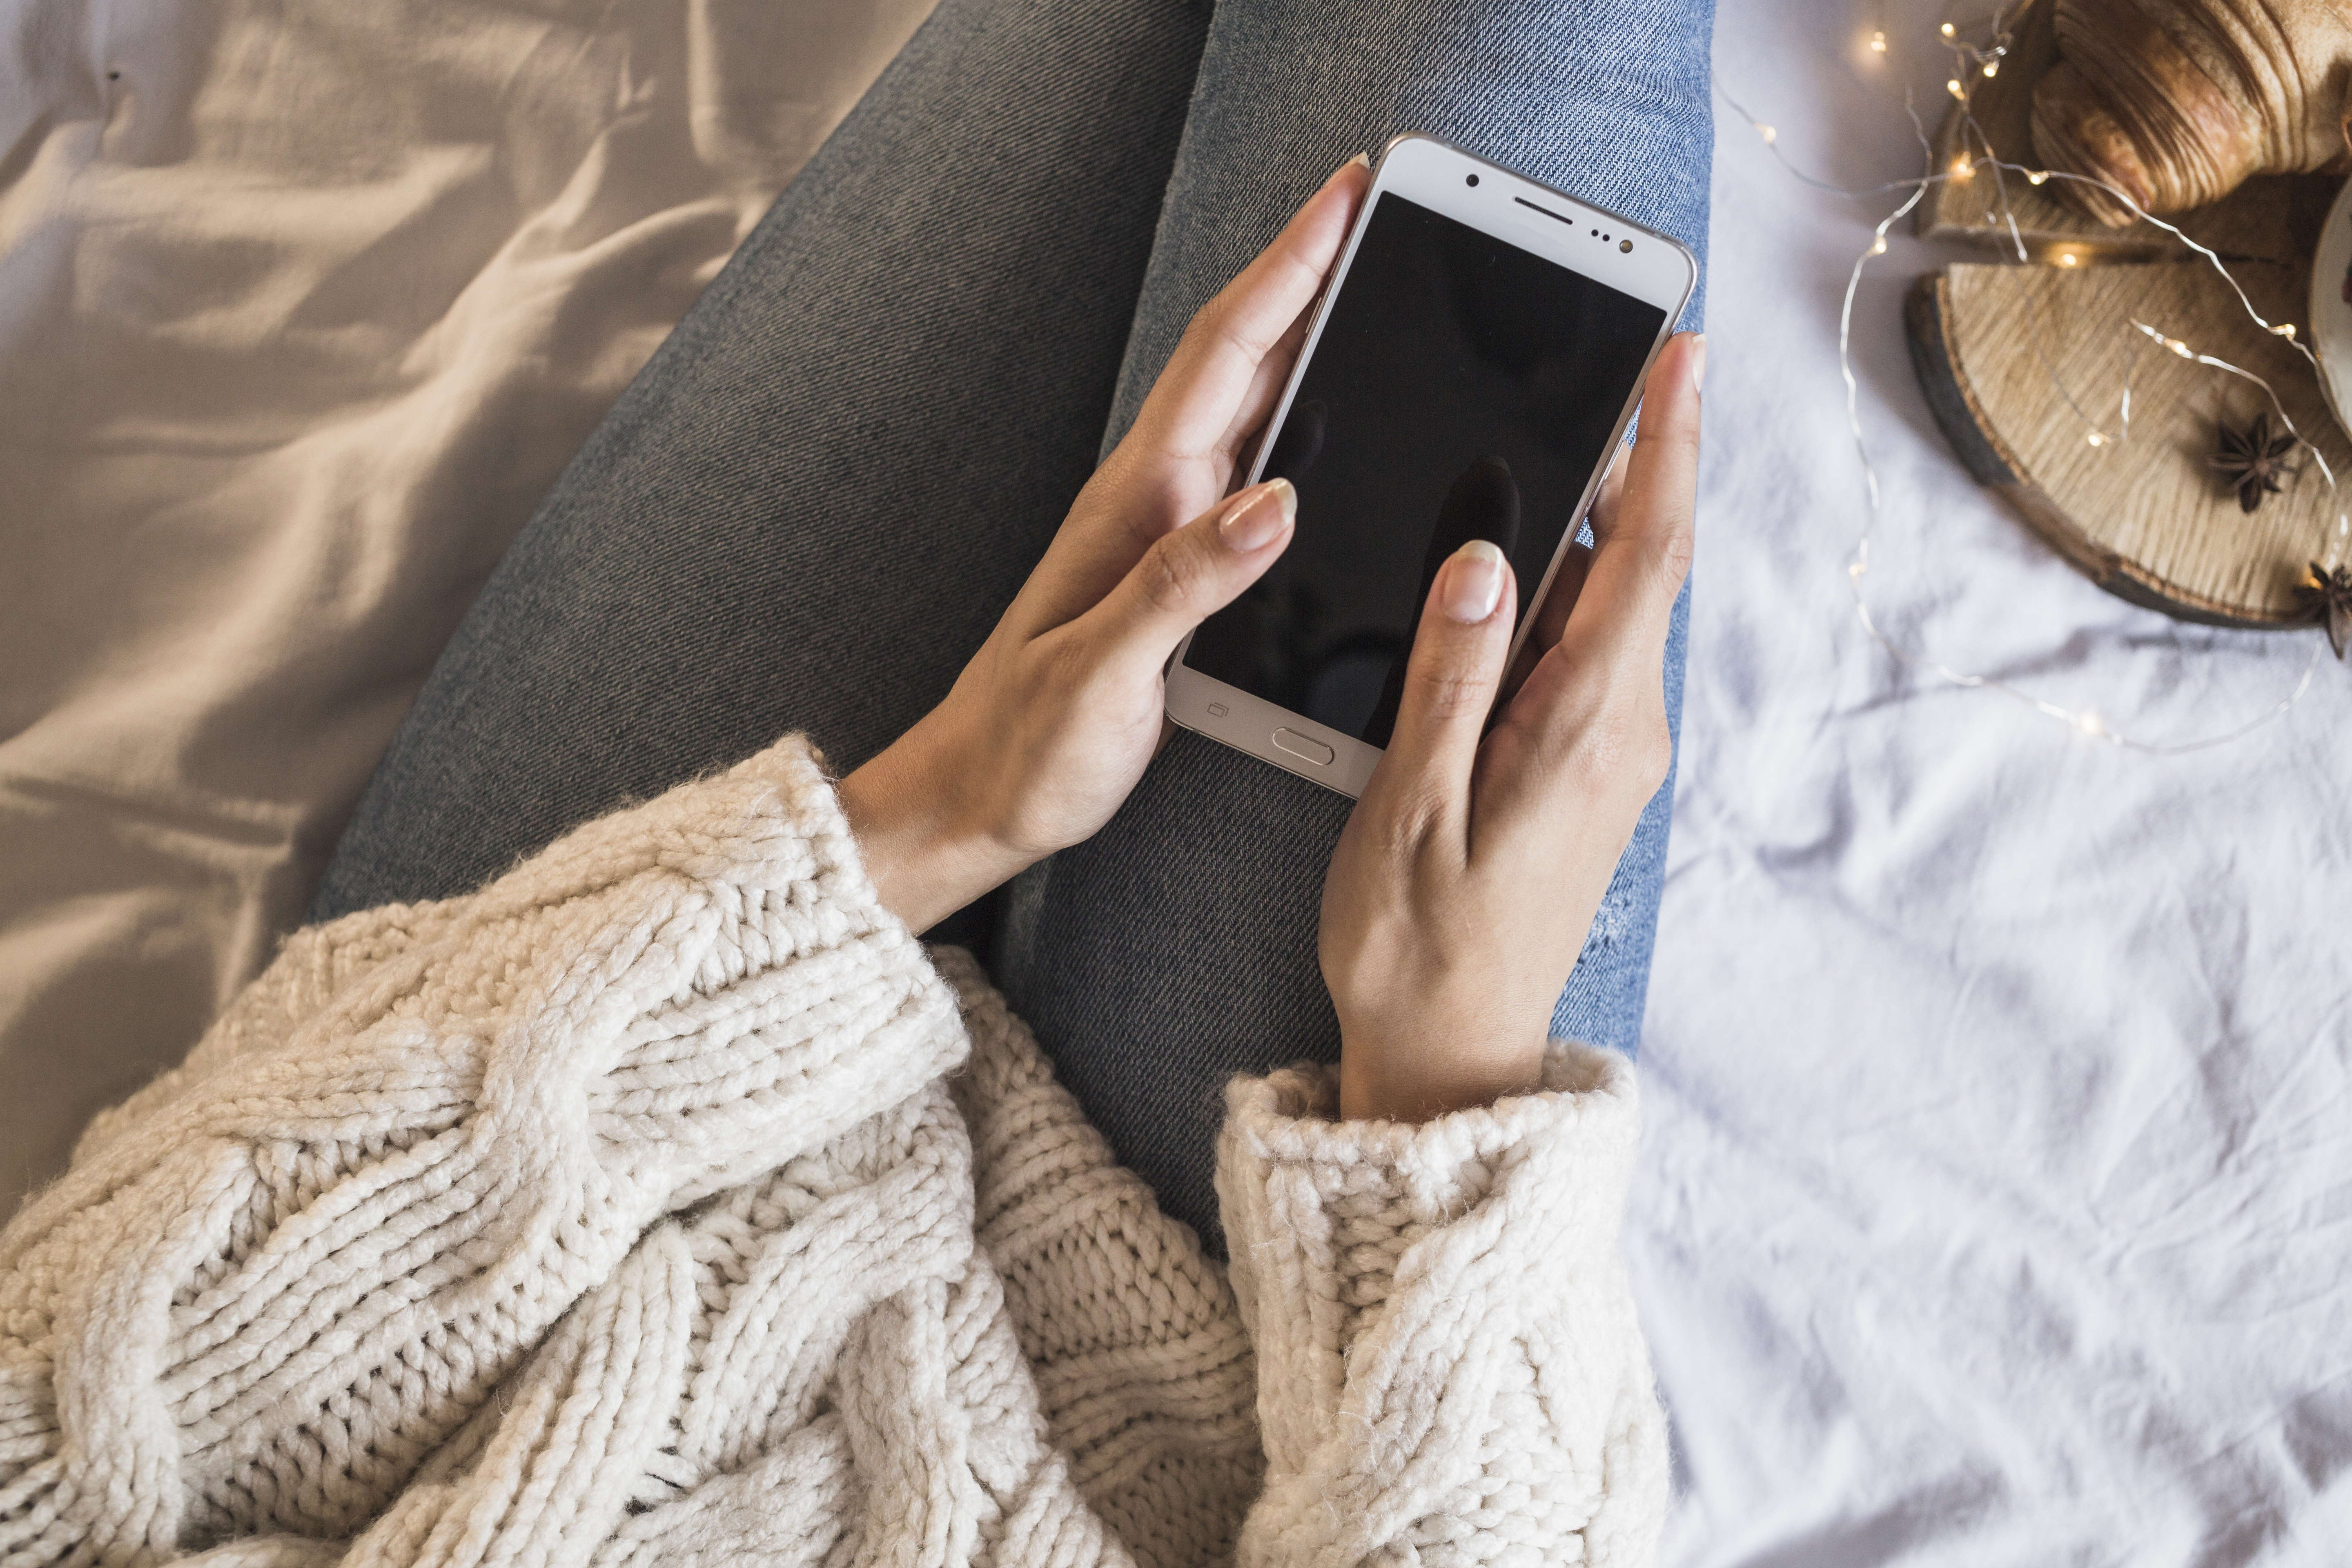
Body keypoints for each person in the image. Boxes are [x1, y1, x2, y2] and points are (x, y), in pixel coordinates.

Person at [0, 0, 1711, 1560]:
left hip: (496, 1145)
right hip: (1227, 1352)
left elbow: (85, 1395)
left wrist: (937, 810)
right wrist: (1446, 1083)